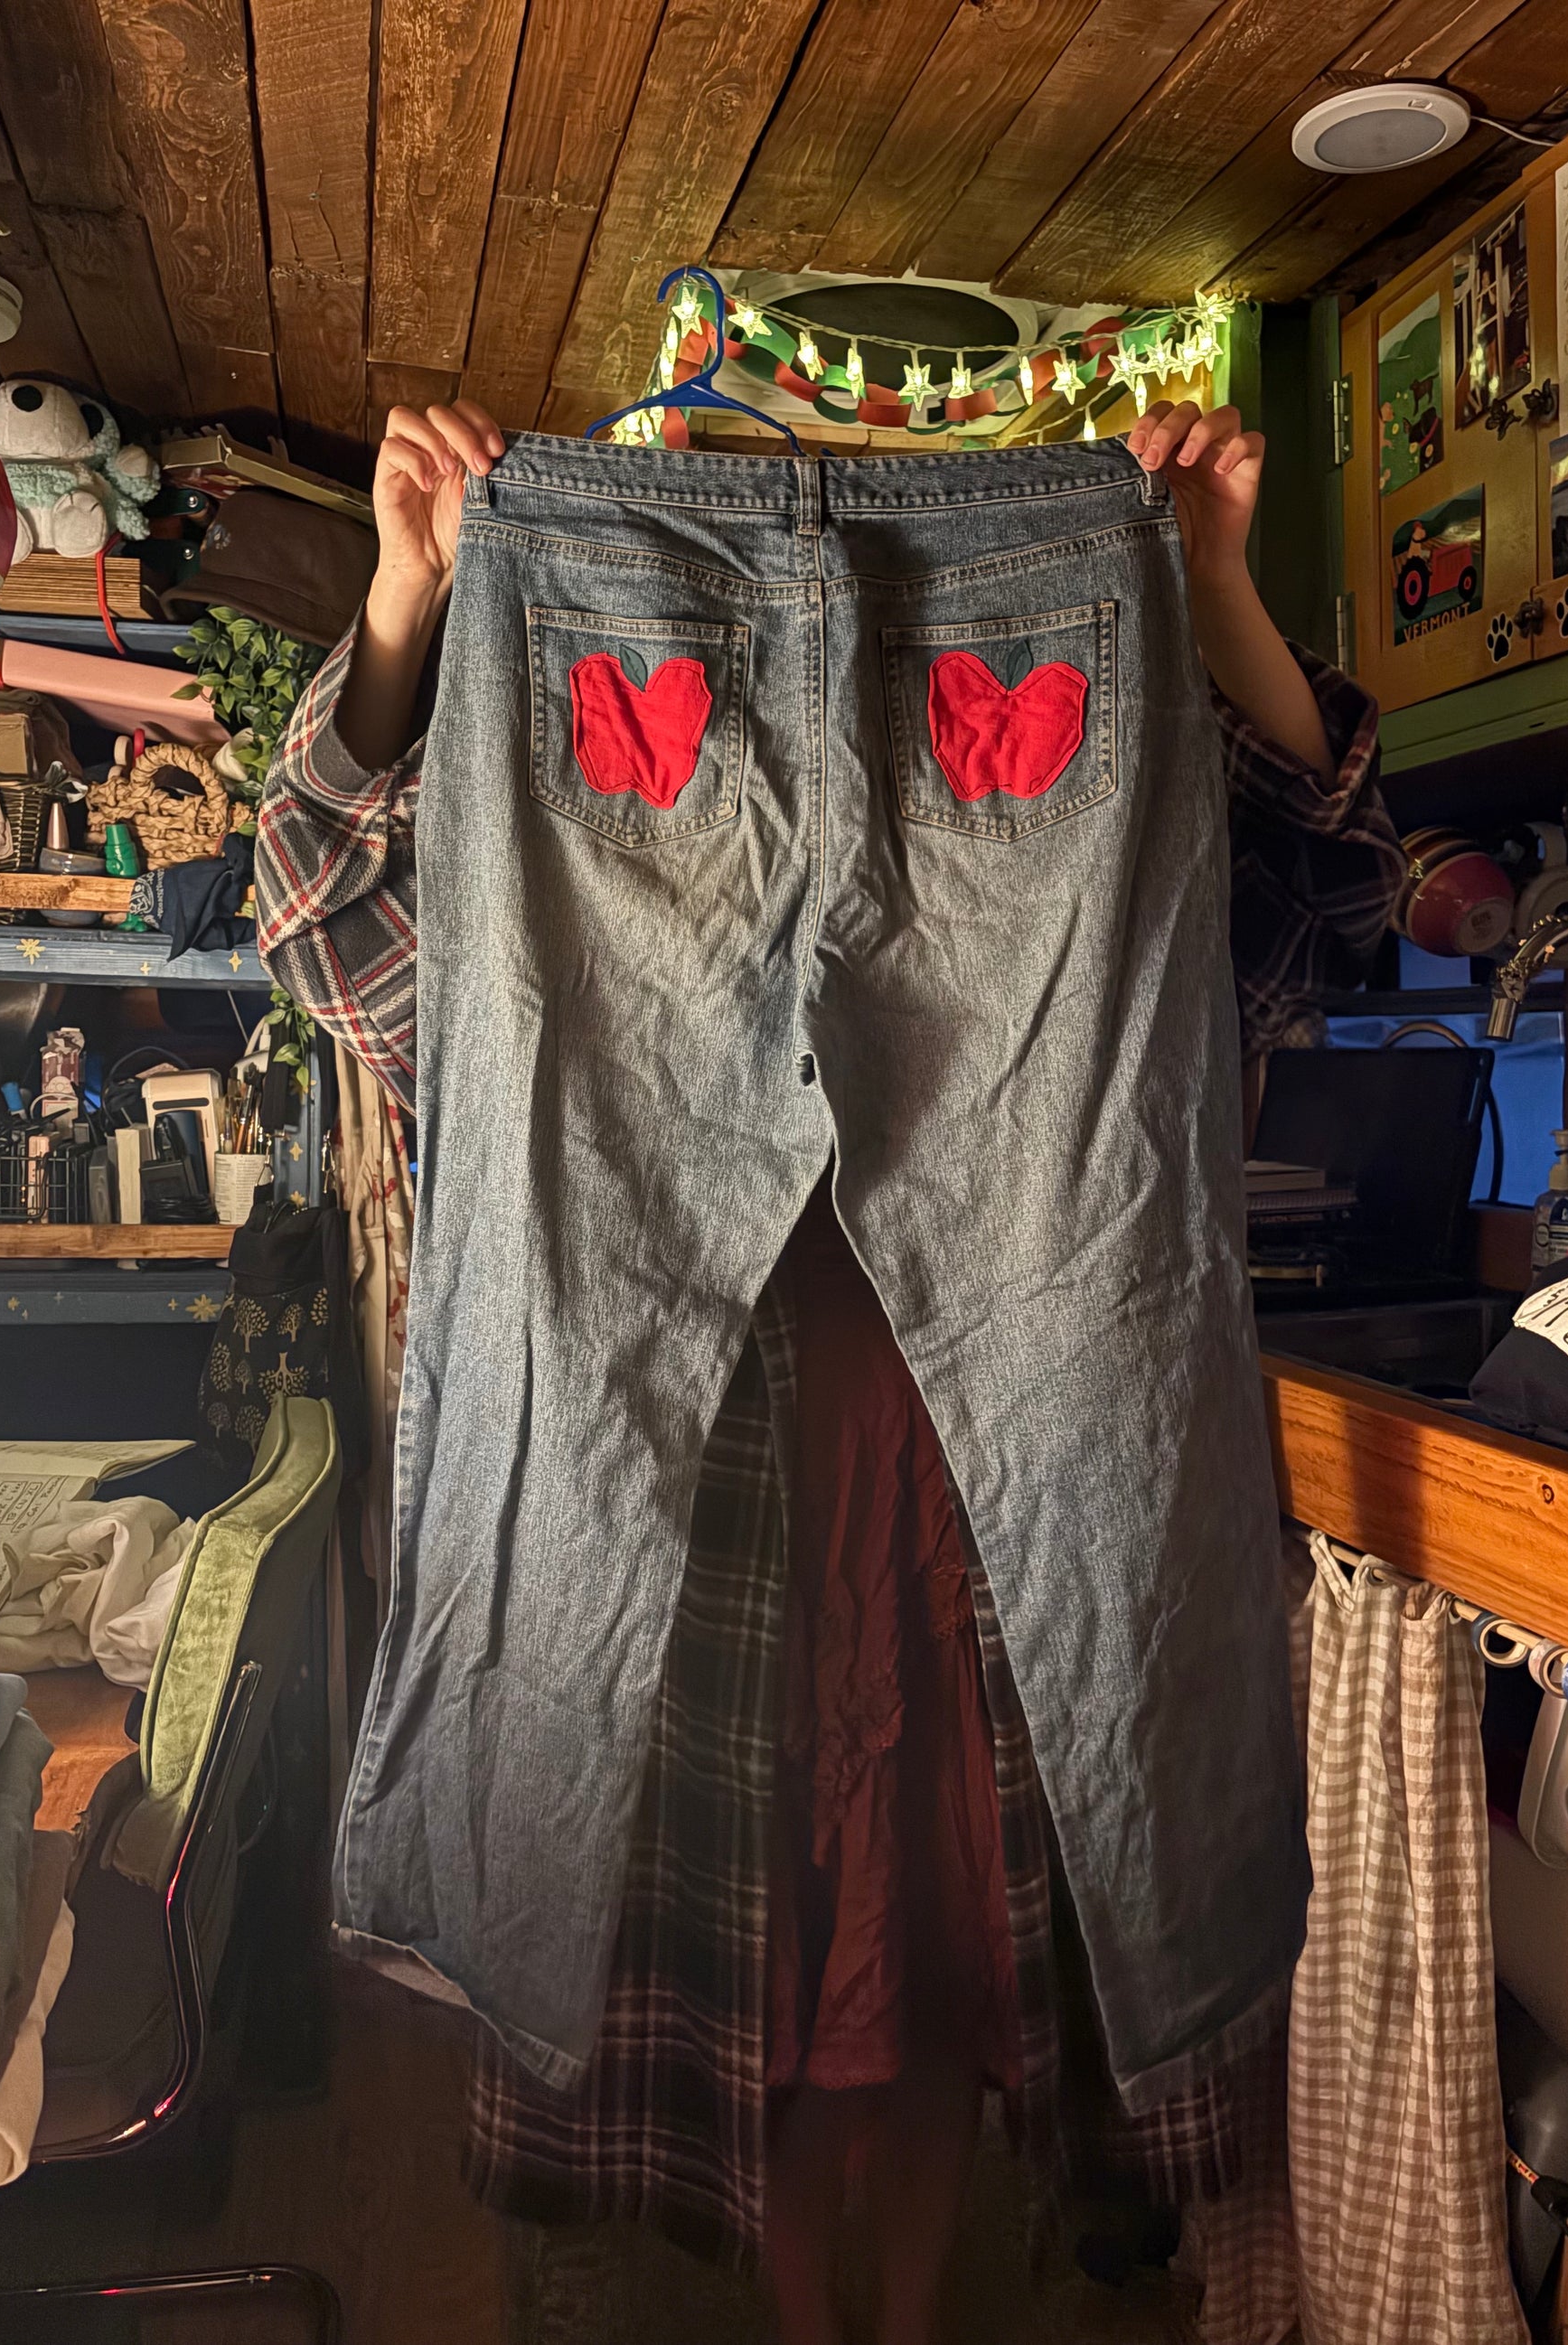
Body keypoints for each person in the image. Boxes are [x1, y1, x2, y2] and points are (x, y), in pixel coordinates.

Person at [257, 396, 1400, 2345]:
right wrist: (411, 600)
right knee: (781, 1994)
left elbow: (1325, 907)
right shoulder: (538, 724)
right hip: (705, 1514)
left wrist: (1201, 590)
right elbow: (316, 921)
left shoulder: (1084, 704)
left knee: (940, 1979)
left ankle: (913, 2317)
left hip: (978, 1505)